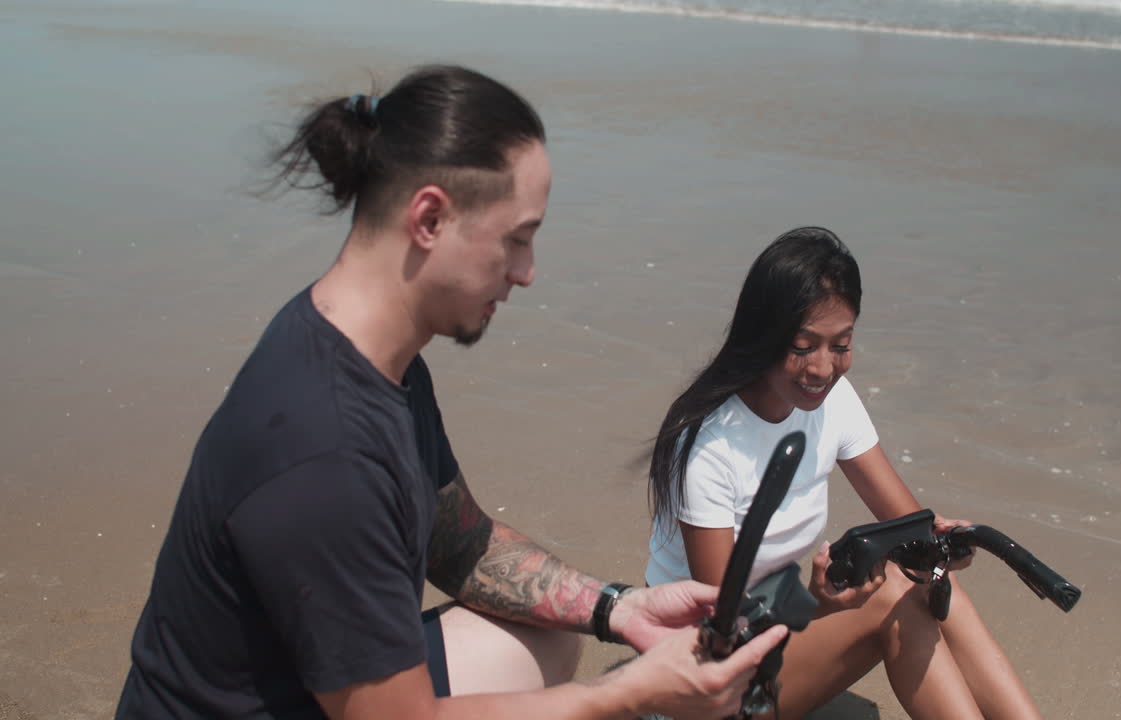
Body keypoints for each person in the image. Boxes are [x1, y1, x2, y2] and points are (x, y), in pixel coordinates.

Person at [115, 64, 787, 720]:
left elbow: (459, 542)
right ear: (430, 218)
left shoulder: (373, 354)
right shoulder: (326, 451)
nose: (526, 272)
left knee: (551, 636)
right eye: (516, 240)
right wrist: (630, 693)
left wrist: (619, 608)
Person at [645, 226, 1045, 720]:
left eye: (840, 345)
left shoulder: (831, 401)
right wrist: (816, 605)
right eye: (802, 346)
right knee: (894, 594)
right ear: (762, 336)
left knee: (926, 577)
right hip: (700, 680)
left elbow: (906, 521)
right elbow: (723, 632)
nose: (822, 369)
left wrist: (939, 542)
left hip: (768, 638)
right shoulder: (709, 446)